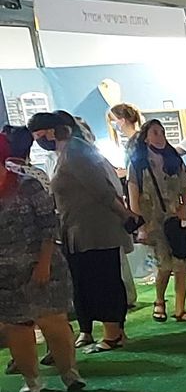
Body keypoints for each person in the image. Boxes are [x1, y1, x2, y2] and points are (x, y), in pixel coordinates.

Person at [33, 111, 131, 351]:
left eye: (41, 134)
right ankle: (109, 331)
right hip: (80, 229)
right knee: (92, 280)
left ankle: (113, 334)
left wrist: (127, 216)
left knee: (103, 279)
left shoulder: (76, 153)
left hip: (95, 229)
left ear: (54, 130)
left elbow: (102, 191)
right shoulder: (66, 153)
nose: (39, 140)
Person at [0, 125, 84, 392]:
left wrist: (44, 263)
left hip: (43, 266)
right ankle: (33, 381)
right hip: (5, 275)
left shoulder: (27, 185)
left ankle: (70, 374)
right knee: (17, 328)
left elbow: (50, 226)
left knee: (53, 322)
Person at [127, 119, 186, 323]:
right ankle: (160, 300)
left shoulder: (173, 159)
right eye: (155, 132)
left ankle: (180, 308)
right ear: (146, 137)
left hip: (174, 216)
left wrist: (183, 208)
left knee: (181, 261)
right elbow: (134, 194)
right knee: (164, 264)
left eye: (162, 132)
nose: (160, 137)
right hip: (153, 219)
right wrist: (141, 225)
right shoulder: (137, 164)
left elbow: (185, 187)